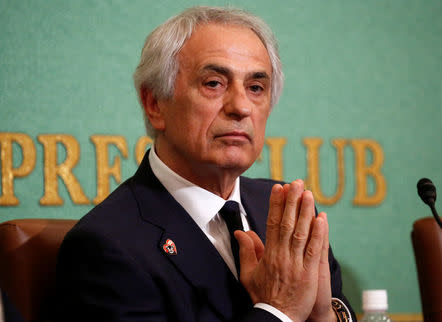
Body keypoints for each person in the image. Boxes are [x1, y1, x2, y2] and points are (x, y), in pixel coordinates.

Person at [55, 6, 356, 322]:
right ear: (154, 103)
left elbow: (335, 307)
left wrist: (323, 317)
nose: (240, 107)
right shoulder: (107, 246)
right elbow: (283, 308)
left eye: (256, 88)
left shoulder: (281, 211)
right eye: (214, 83)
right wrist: (279, 310)